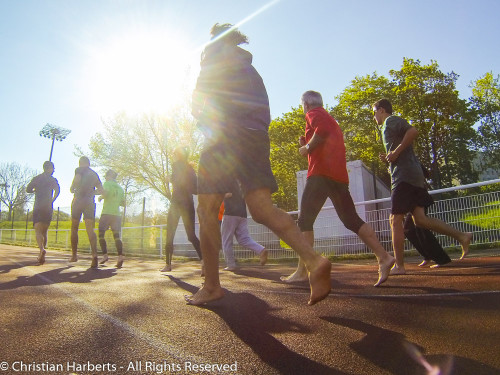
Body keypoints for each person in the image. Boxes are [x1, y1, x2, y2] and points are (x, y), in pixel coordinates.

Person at [189, 23, 331, 306]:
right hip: (256, 137)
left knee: (206, 211)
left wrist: (203, 120)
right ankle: (314, 260)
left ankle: (212, 286)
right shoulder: (250, 67)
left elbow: (199, 105)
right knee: (262, 208)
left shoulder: (212, 57)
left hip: (224, 137)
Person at [280, 91, 395, 287]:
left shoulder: (314, 113)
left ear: (306, 104)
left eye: (302, 105)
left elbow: (322, 130)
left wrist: (307, 148)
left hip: (320, 175)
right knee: (351, 219)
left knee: (305, 221)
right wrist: (307, 145)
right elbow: (323, 136)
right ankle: (383, 256)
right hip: (338, 176)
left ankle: (302, 271)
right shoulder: (328, 117)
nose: (303, 108)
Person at [372, 98, 473, 275]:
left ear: (381, 110)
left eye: (374, 112)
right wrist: (389, 157)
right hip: (413, 176)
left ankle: (399, 266)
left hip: (404, 178)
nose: (374, 117)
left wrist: (395, 152)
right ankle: (462, 236)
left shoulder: (391, 120)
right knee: (420, 220)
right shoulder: (387, 126)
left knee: (395, 220)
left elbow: (412, 131)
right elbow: (401, 149)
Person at [160, 146, 202, 273]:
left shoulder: (177, 165)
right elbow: (195, 189)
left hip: (176, 203)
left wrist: (170, 179)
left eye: (174, 154)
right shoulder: (191, 169)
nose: (173, 156)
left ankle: (168, 265)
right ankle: (204, 262)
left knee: (170, 234)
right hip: (188, 203)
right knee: (191, 235)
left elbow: (178, 180)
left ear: (178, 155)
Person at [221, 183, 268, 271]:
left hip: (230, 214)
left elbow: (228, 194)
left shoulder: (226, 179)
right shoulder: (241, 183)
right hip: (242, 214)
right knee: (244, 239)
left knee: (226, 240)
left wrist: (218, 196)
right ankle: (261, 250)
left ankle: (231, 265)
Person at [70, 156, 104, 268]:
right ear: (89, 163)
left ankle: (74, 255)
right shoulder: (94, 174)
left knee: (74, 228)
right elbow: (101, 191)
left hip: (78, 200)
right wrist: (91, 192)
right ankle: (94, 255)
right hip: (89, 203)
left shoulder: (79, 170)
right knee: (90, 229)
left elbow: (76, 181)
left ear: (81, 163)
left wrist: (72, 187)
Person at [26, 161, 60, 265]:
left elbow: (28, 189)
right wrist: (52, 200)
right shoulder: (53, 180)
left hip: (38, 206)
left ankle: (41, 249)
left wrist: (34, 190)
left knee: (38, 230)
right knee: (44, 231)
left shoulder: (36, 178)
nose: (54, 170)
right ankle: (42, 254)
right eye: (52, 168)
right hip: (48, 207)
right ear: (48, 168)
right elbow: (58, 190)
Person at [97, 169, 125, 268]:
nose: (105, 177)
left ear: (109, 176)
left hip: (106, 213)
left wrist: (100, 197)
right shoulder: (121, 189)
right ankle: (120, 257)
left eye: (106, 176)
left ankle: (105, 256)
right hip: (116, 214)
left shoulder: (107, 183)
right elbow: (123, 203)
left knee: (100, 235)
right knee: (117, 236)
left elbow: (105, 193)